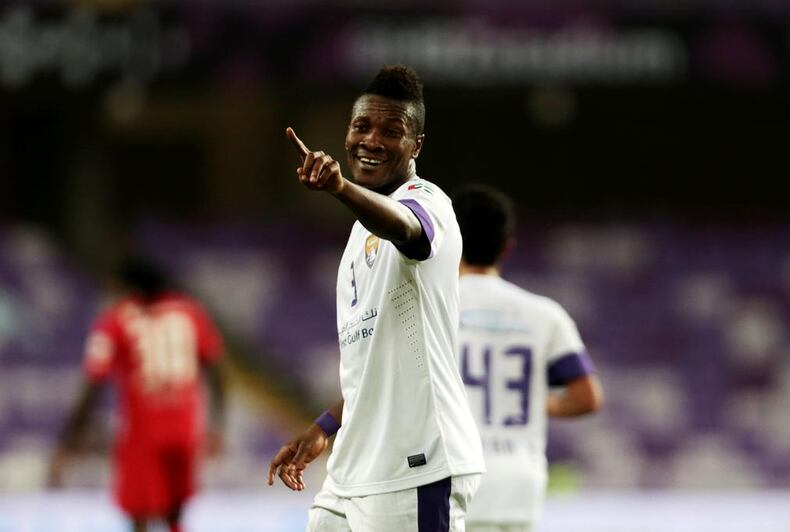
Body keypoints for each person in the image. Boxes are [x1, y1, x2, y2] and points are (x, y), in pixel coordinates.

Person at [267, 64, 484, 531]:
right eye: (361, 126)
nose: (371, 140)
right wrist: (324, 426)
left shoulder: (429, 203)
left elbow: (406, 228)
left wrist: (338, 187)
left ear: (416, 146)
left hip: (416, 464)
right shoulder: (357, 236)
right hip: (353, 469)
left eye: (392, 131)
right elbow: (378, 361)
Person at [451, 184, 604, 532]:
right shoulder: (544, 315)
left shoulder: (431, 310)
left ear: (450, 242)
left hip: (452, 481)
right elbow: (588, 397)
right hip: (518, 487)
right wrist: (536, 401)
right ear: (507, 247)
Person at [49, 256, 226, 532]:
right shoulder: (190, 312)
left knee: (139, 515)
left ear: (129, 287)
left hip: (144, 434)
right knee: (175, 518)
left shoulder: (116, 319)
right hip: (185, 431)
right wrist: (217, 424)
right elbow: (216, 370)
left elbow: (93, 383)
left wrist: (67, 442)